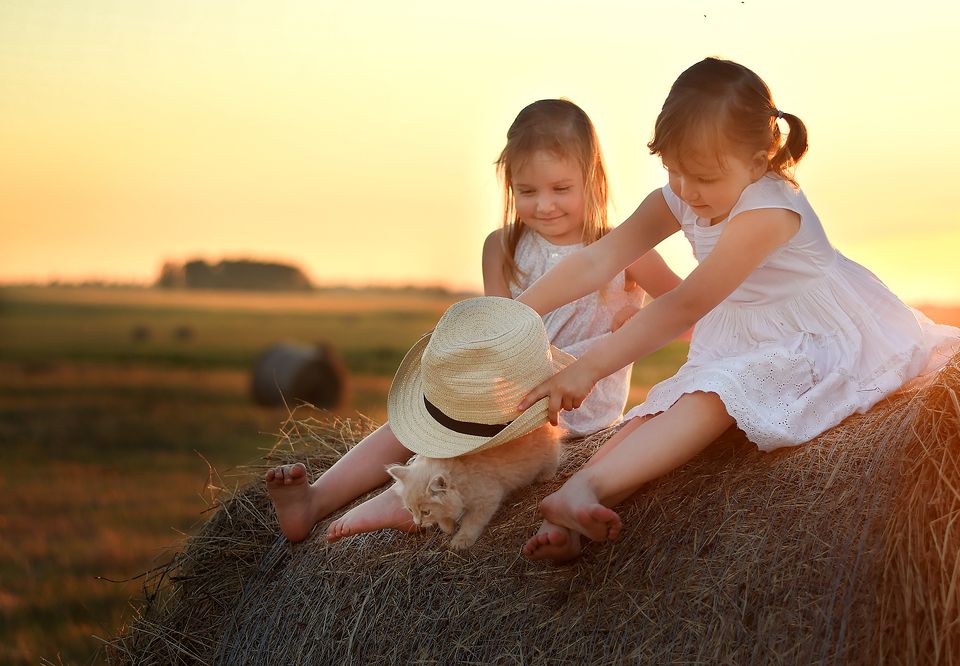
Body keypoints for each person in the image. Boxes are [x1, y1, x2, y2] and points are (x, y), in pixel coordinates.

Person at [515, 57, 960, 563]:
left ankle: (590, 487)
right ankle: (579, 499)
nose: (686, 191)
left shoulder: (769, 210)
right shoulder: (684, 194)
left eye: (703, 176)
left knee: (716, 394)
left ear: (758, 161)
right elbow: (598, 258)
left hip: (811, 335)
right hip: (740, 332)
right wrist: (515, 312)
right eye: (673, 171)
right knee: (660, 409)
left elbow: (686, 303)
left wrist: (589, 368)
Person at [265, 99, 679, 543]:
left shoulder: (622, 247)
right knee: (418, 420)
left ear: (591, 180)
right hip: (508, 392)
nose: (544, 205)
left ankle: (403, 499)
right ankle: (316, 499)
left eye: (561, 189)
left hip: (573, 404)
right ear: (509, 186)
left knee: (485, 444)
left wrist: (633, 321)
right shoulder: (500, 247)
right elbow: (494, 335)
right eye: (527, 191)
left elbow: (688, 309)